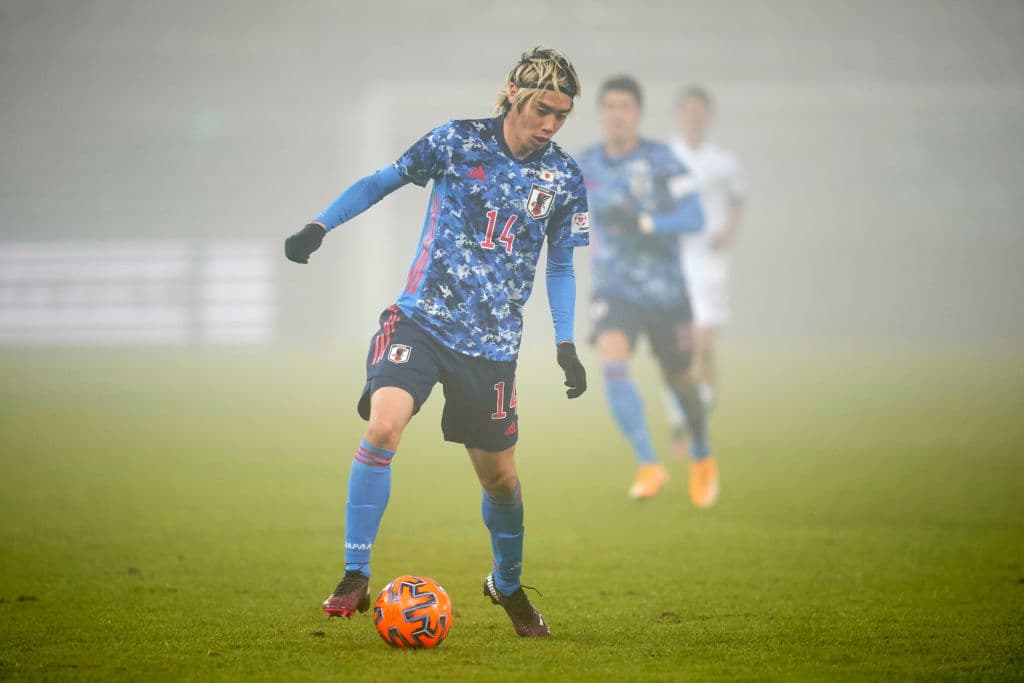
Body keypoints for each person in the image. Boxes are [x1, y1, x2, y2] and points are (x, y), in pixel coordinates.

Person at [284, 47, 589, 638]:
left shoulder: (564, 177)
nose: (550, 125)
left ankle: (507, 585)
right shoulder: (455, 140)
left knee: (500, 480)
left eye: (562, 116)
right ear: (515, 96)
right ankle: (354, 573)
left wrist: (566, 342)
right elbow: (382, 181)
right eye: (542, 110)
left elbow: (561, 267)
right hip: (420, 320)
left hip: (494, 345)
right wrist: (320, 225)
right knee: (383, 425)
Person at [577, 75, 718, 507]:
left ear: (637, 114)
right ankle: (648, 464)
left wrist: (647, 222)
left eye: (625, 106)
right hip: (614, 288)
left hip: (666, 293)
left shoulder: (662, 161)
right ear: (601, 113)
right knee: (612, 361)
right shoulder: (586, 164)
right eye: (609, 106)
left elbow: (695, 217)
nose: (617, 114)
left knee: (680, 380)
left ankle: (701, 454)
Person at [662, 86, 745, 468]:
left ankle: (696, 422)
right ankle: (683, 421)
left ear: (708, 116)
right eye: (688, 110)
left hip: (710, 262)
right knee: (680, 347)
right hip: (674, 261)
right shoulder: (665, 158)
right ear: (679, 115)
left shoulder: (724, 162)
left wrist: (728, 230)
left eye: (700, 111)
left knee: (704, 346)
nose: (694, 116)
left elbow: (737, 199)